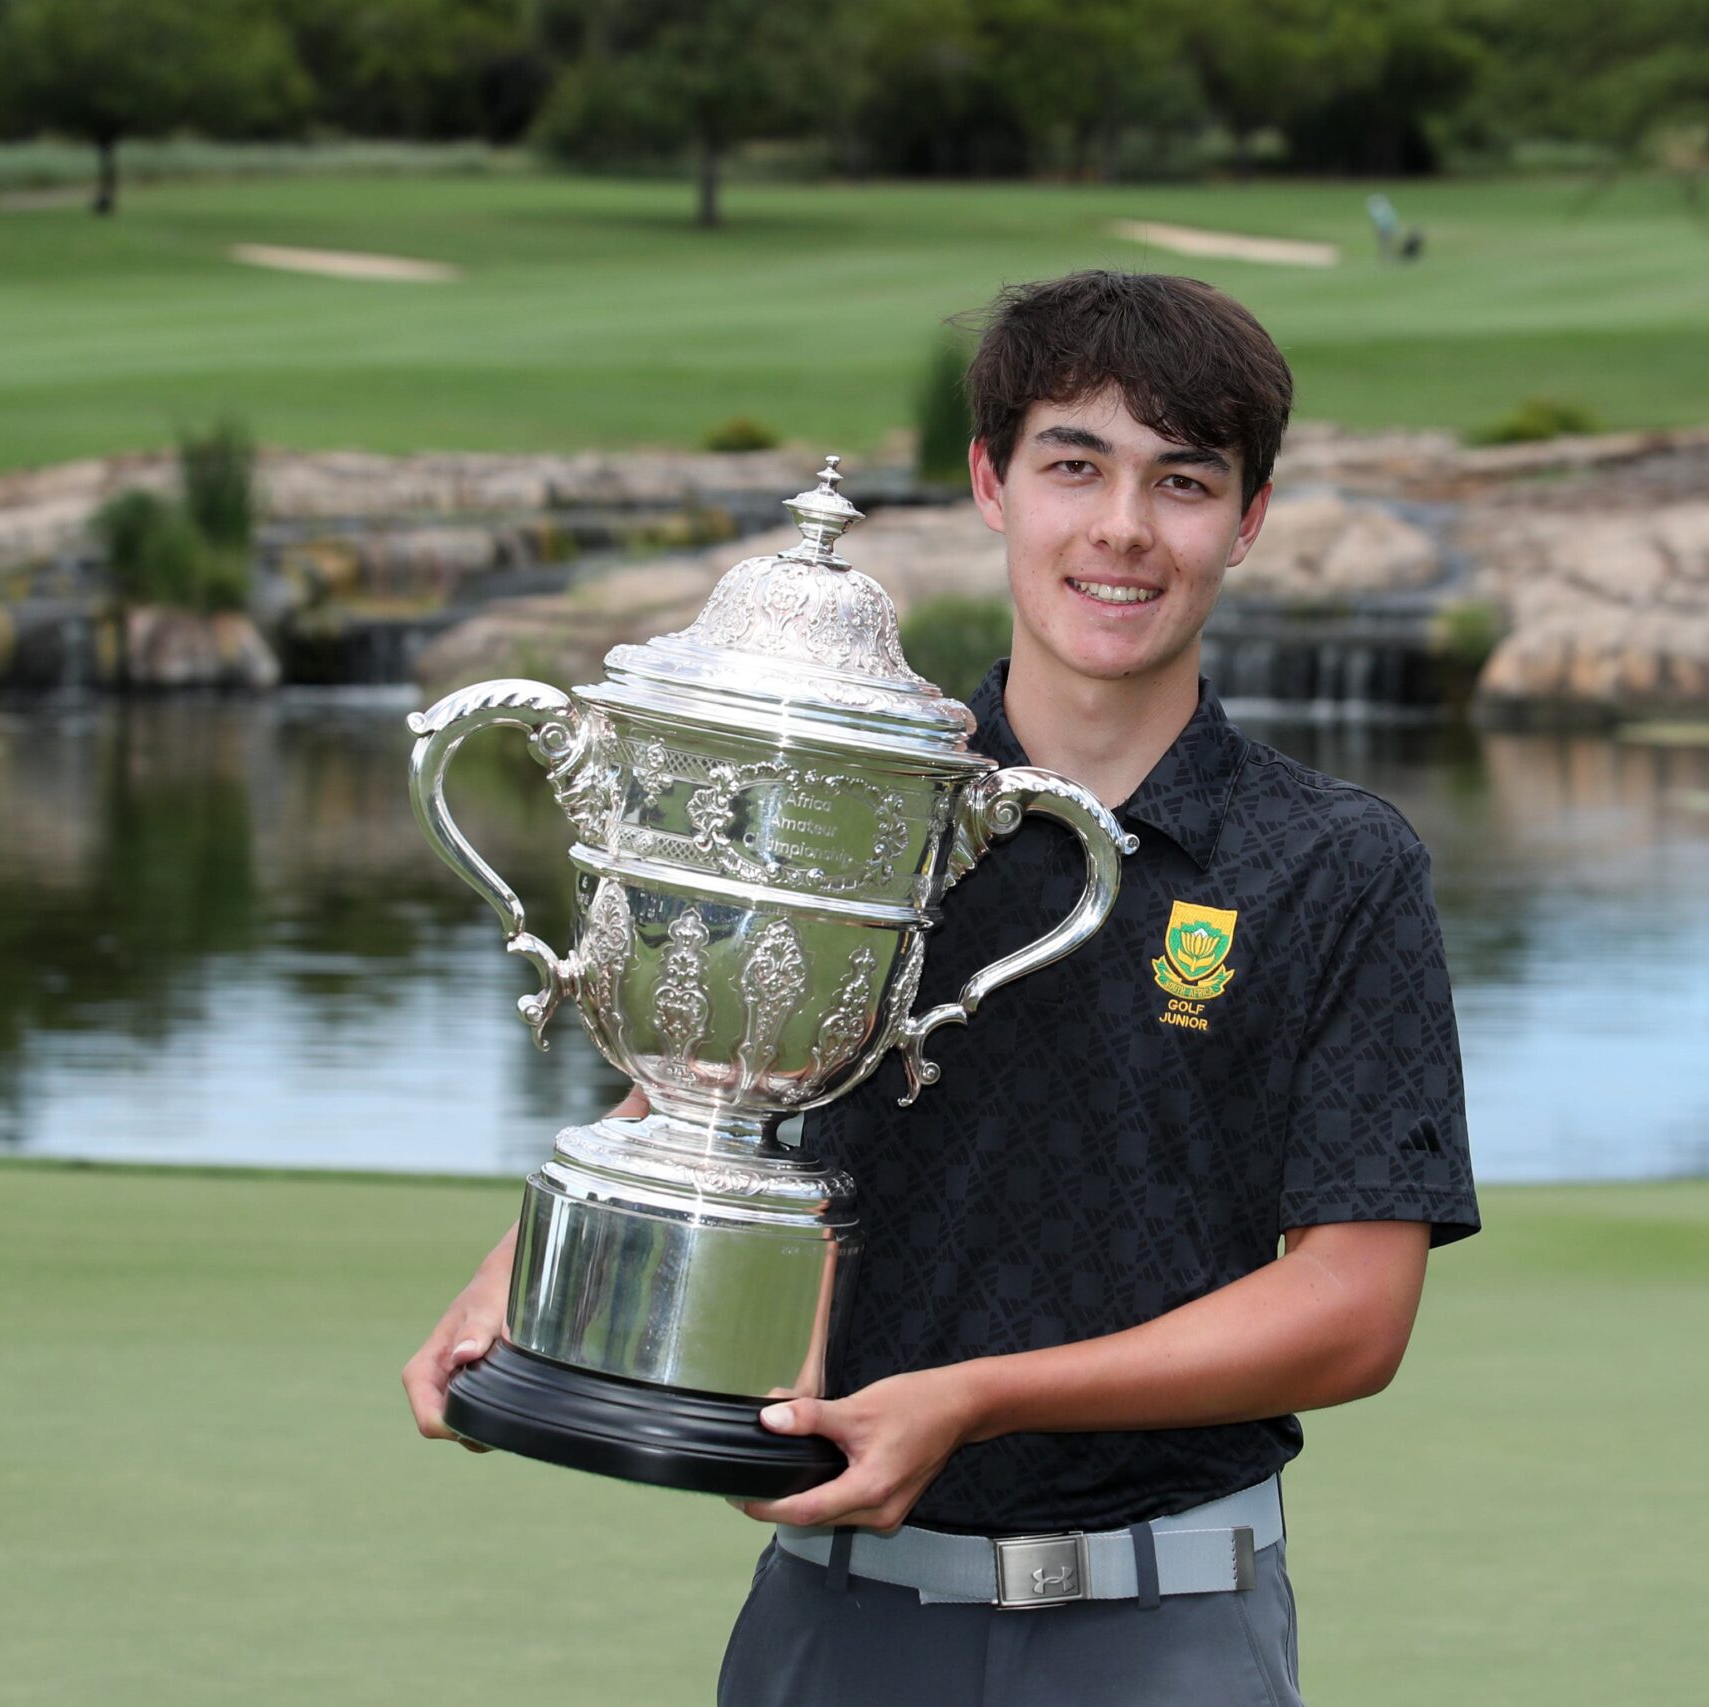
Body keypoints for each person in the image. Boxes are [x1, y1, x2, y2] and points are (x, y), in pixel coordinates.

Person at [403, 270, 1479, 1706]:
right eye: (1073, 466)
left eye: (1183, 481)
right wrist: (534, 1281)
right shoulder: (858, 798)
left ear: (1250, 518)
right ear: (991, 482)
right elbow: (731, 1074)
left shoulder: (1336, 864)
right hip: (842, 1625)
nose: (1122, 529)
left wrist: (978, 1400)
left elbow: (1353, 1312)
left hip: (1168, 1633)